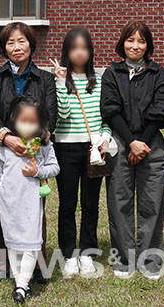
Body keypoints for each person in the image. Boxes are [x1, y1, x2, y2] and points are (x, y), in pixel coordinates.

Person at [0, 22, 58, 283]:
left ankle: (37, 265)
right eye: (10, 43)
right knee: (0, 207)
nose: (16, 47)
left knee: (34, 209)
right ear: (4, 47)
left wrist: (36, 142)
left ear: (31, 44)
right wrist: (7, 138)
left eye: (21, 41)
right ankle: (4, 264)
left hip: (33, 155)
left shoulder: (45, 78)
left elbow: (50, 114)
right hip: (3, 152)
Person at [100, 21, 164, 279]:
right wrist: (131, 141)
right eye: (130, 40)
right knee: (119, 201)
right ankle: (123, 259)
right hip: (120, 143)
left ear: (148, 46)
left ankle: (151, 260)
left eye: (141, 41)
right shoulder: (112, 73)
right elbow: (110, 109)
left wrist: (142, 142)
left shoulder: (158, 73)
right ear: (122, 44)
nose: (135, 46)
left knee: (151, 202)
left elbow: (162, 108)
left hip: (151, 144)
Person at [49, 28, 112, 278]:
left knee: (90, 203)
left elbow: (105, 118)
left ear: (90, 51)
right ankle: (68, 254)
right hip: (65, 148)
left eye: (84, 47)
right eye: (74, 48)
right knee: (67, 204)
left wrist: (104, 138)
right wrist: (62, 82)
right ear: (66, 51)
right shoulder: (60, 81)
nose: (79, 52)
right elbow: (61, 116)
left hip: (92, 150)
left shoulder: (99, 81)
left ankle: (87, 252)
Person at [0, 95, 60, 304]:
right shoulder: (6, 147)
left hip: (30, 202)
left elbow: (55, 167)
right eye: (23, 120)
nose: (27, 125)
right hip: (9, 202)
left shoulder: (44, 146)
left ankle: (21, 286)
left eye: (33, 122)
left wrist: (38, 171)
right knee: (12, 242)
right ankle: (22, 281)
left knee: (30, 243)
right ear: (13, 120)